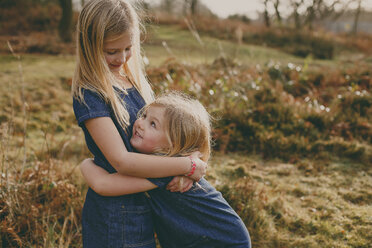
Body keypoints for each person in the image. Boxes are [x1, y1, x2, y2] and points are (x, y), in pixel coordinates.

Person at [72, 0, 207, 247]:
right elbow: (121, 161)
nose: (121, 58)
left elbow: (167, 136)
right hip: (114, 217)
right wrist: (184, 167)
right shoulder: (91, 95)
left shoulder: (132, 81)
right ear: (89, 46)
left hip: (144, 209)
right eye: (111, 51)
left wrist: (191, 160)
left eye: (127, 48)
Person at [80, 92, 252, 248]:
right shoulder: (173, 167)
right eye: (144, 116)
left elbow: (103, 184)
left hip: (224, 242)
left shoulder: (165, 171)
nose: (140, 123)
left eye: (153, 124)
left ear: (173, 145)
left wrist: (86, 163)